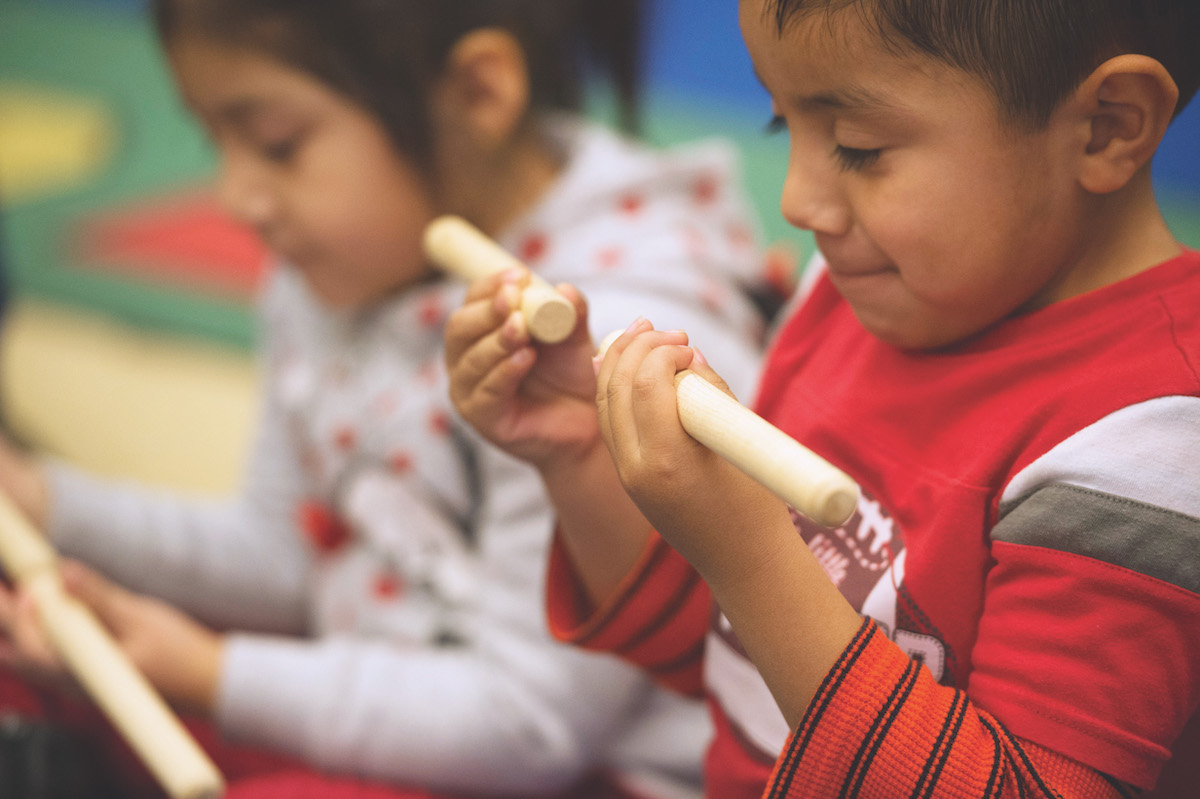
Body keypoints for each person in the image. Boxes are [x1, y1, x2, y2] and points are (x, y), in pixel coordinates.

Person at [0, 1, 772, 797]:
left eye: (276, 145)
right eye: (212, 138)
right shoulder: (335, 261)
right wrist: (43, 502)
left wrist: (210, 673)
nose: (237, 197)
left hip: (585, 770)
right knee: (35, 667)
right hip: (393, 699)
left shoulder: (592, 342)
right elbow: (293, 556)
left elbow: (528, 726)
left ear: (479, 91)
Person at [444, 0, 1200, 797]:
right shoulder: (847, 296)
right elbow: (726, 664)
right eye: (781, 127)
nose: (798, 201)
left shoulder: (1146, 441)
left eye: (857, 148)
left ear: (1107, 126)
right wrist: (579, 458)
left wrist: (753, 552)